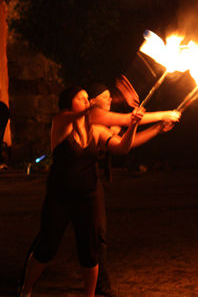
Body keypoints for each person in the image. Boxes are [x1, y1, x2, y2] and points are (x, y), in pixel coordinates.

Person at [18, 86, 144, 297]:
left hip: (87, 197)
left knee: (89, 251)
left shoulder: (95, 130)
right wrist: (98, 105)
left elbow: (122, 147)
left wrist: (133, 125)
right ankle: (26, 289)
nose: (87, 101)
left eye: (88, 98)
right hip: (60, 197)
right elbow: (83, 113)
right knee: (46, 247)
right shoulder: (61, 123)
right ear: (69, 102)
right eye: (82, 98)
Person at [84, 80, 180, 297]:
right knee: (51, 237)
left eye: (110, 95)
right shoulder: (91, 115)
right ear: (91, 102)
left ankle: (101, 281)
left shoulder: (102, 122)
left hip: (90, 182)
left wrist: (157, 129)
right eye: (105, 96)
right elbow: (128, 120)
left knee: (99, 233)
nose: (109, 99)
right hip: (65, 182)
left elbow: (124, 145)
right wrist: (165, 114)